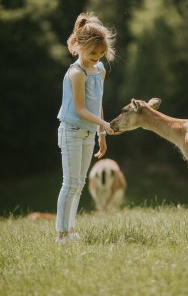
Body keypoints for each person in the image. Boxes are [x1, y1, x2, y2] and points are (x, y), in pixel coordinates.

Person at [56, 12, 115, 243]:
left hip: (89, 133)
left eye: (100, 54)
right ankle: (61, 234)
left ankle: (71, 230)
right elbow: (80, 109)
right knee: (69, 183)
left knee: (79, 184)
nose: (96, 58)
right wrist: (104, 124)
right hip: (70, 132)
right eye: (92, 53)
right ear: (79, 47)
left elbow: (97, 103)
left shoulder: (99, 70)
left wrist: (102, 134)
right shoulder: (76, 73)